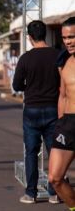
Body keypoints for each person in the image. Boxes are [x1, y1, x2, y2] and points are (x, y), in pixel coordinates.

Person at [13, 20, 60, 204]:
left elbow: (17, 85)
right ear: (46, 34)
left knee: (31, 152)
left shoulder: (25, 59)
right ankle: (54, 193)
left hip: (31, 109)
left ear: (30, 37)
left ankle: (30, 194)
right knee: (54, 152)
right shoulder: (58, 55)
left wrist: (29, 86)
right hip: (53, 108)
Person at [48, 16, 75, 210]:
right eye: (65, 37)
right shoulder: (63, 61)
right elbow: (63, 95)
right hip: (67, 123)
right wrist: (60, 121)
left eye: (72, 37)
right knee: (55, 178)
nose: (68, 41)